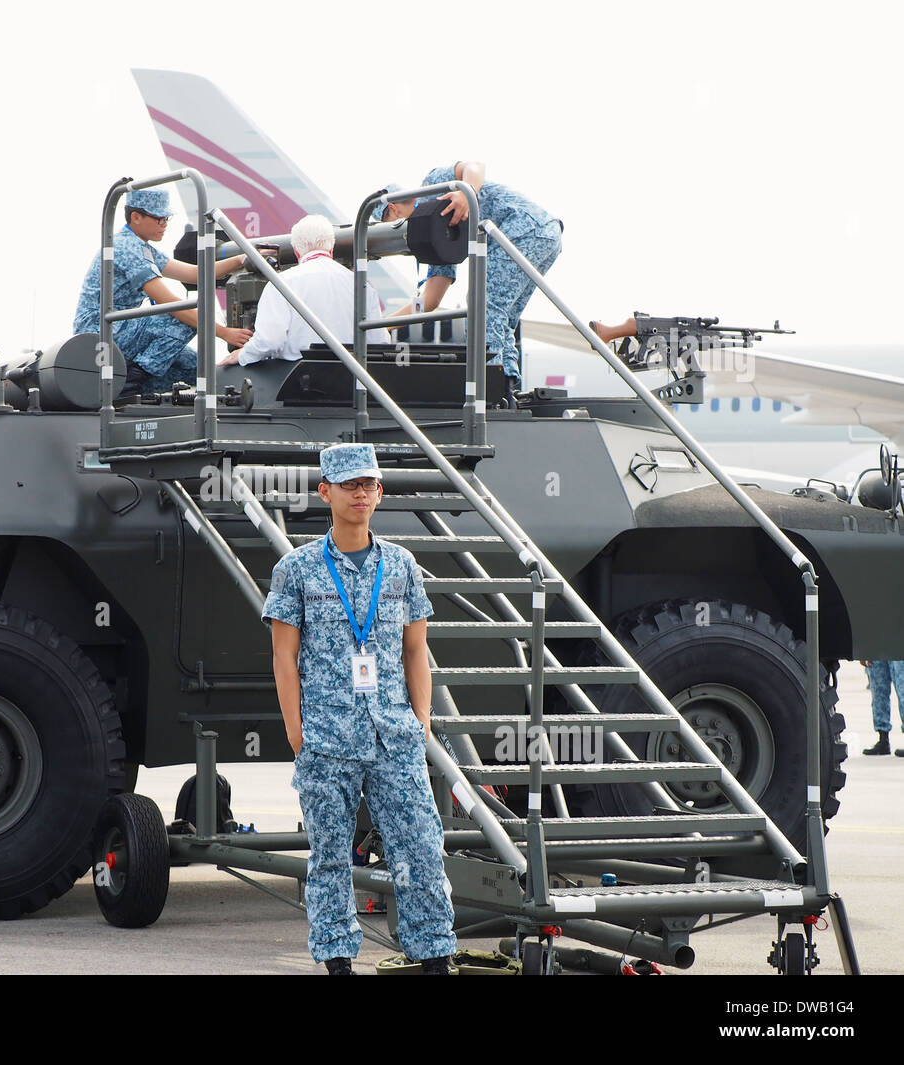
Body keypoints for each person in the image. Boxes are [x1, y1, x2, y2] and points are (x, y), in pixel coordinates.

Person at [262, 442, 456, 975]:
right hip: (327, 738)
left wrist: (421, 722)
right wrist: (298, 736)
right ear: (325, 492)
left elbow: (416, 650)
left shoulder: (401, 565)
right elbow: (284, 658)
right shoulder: (296, 569)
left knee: (419, 849)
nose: (360, 494)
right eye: (349, 485)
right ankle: (338, 960)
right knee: (329, 858)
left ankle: (434, 954)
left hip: (394, 734)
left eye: (368, 485)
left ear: (380, 493)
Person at [375, 162, 562, 403]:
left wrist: (467, 192)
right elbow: (430, 301)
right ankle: (508, 387)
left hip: (524, 226)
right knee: (501, 318)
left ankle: (491, 394)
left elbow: (474, 166)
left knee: (484, 308)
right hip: (544, 234)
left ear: (393, 210)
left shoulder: (432, 186)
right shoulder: (431, 236)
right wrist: (383, 325)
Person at [72, 188, 252, 395]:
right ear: (136, 217)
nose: (164, 224)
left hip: (121, 330)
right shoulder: (126, 247)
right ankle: (130, 381)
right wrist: (225, 333)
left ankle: (136, 388)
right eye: (159, 219)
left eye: (167, 218)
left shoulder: (142, 247)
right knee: (183, 315)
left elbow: (195, 274)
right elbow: (169, 303)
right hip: (100, 331)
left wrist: (242, 259)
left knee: (195, 367)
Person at [218, 214, 382, 367]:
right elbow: (379, 341)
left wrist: (243, 355)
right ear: (331, 248)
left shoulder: (281, 283)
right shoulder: (364, 286)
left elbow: (270, 341)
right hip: (353, 378)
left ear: (296, 250)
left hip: (301, 381)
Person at [860, 660, 904, 755]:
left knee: (902, 690)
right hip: (877, 649)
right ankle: (883, 739)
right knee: (878, 693)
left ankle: (883, 739)